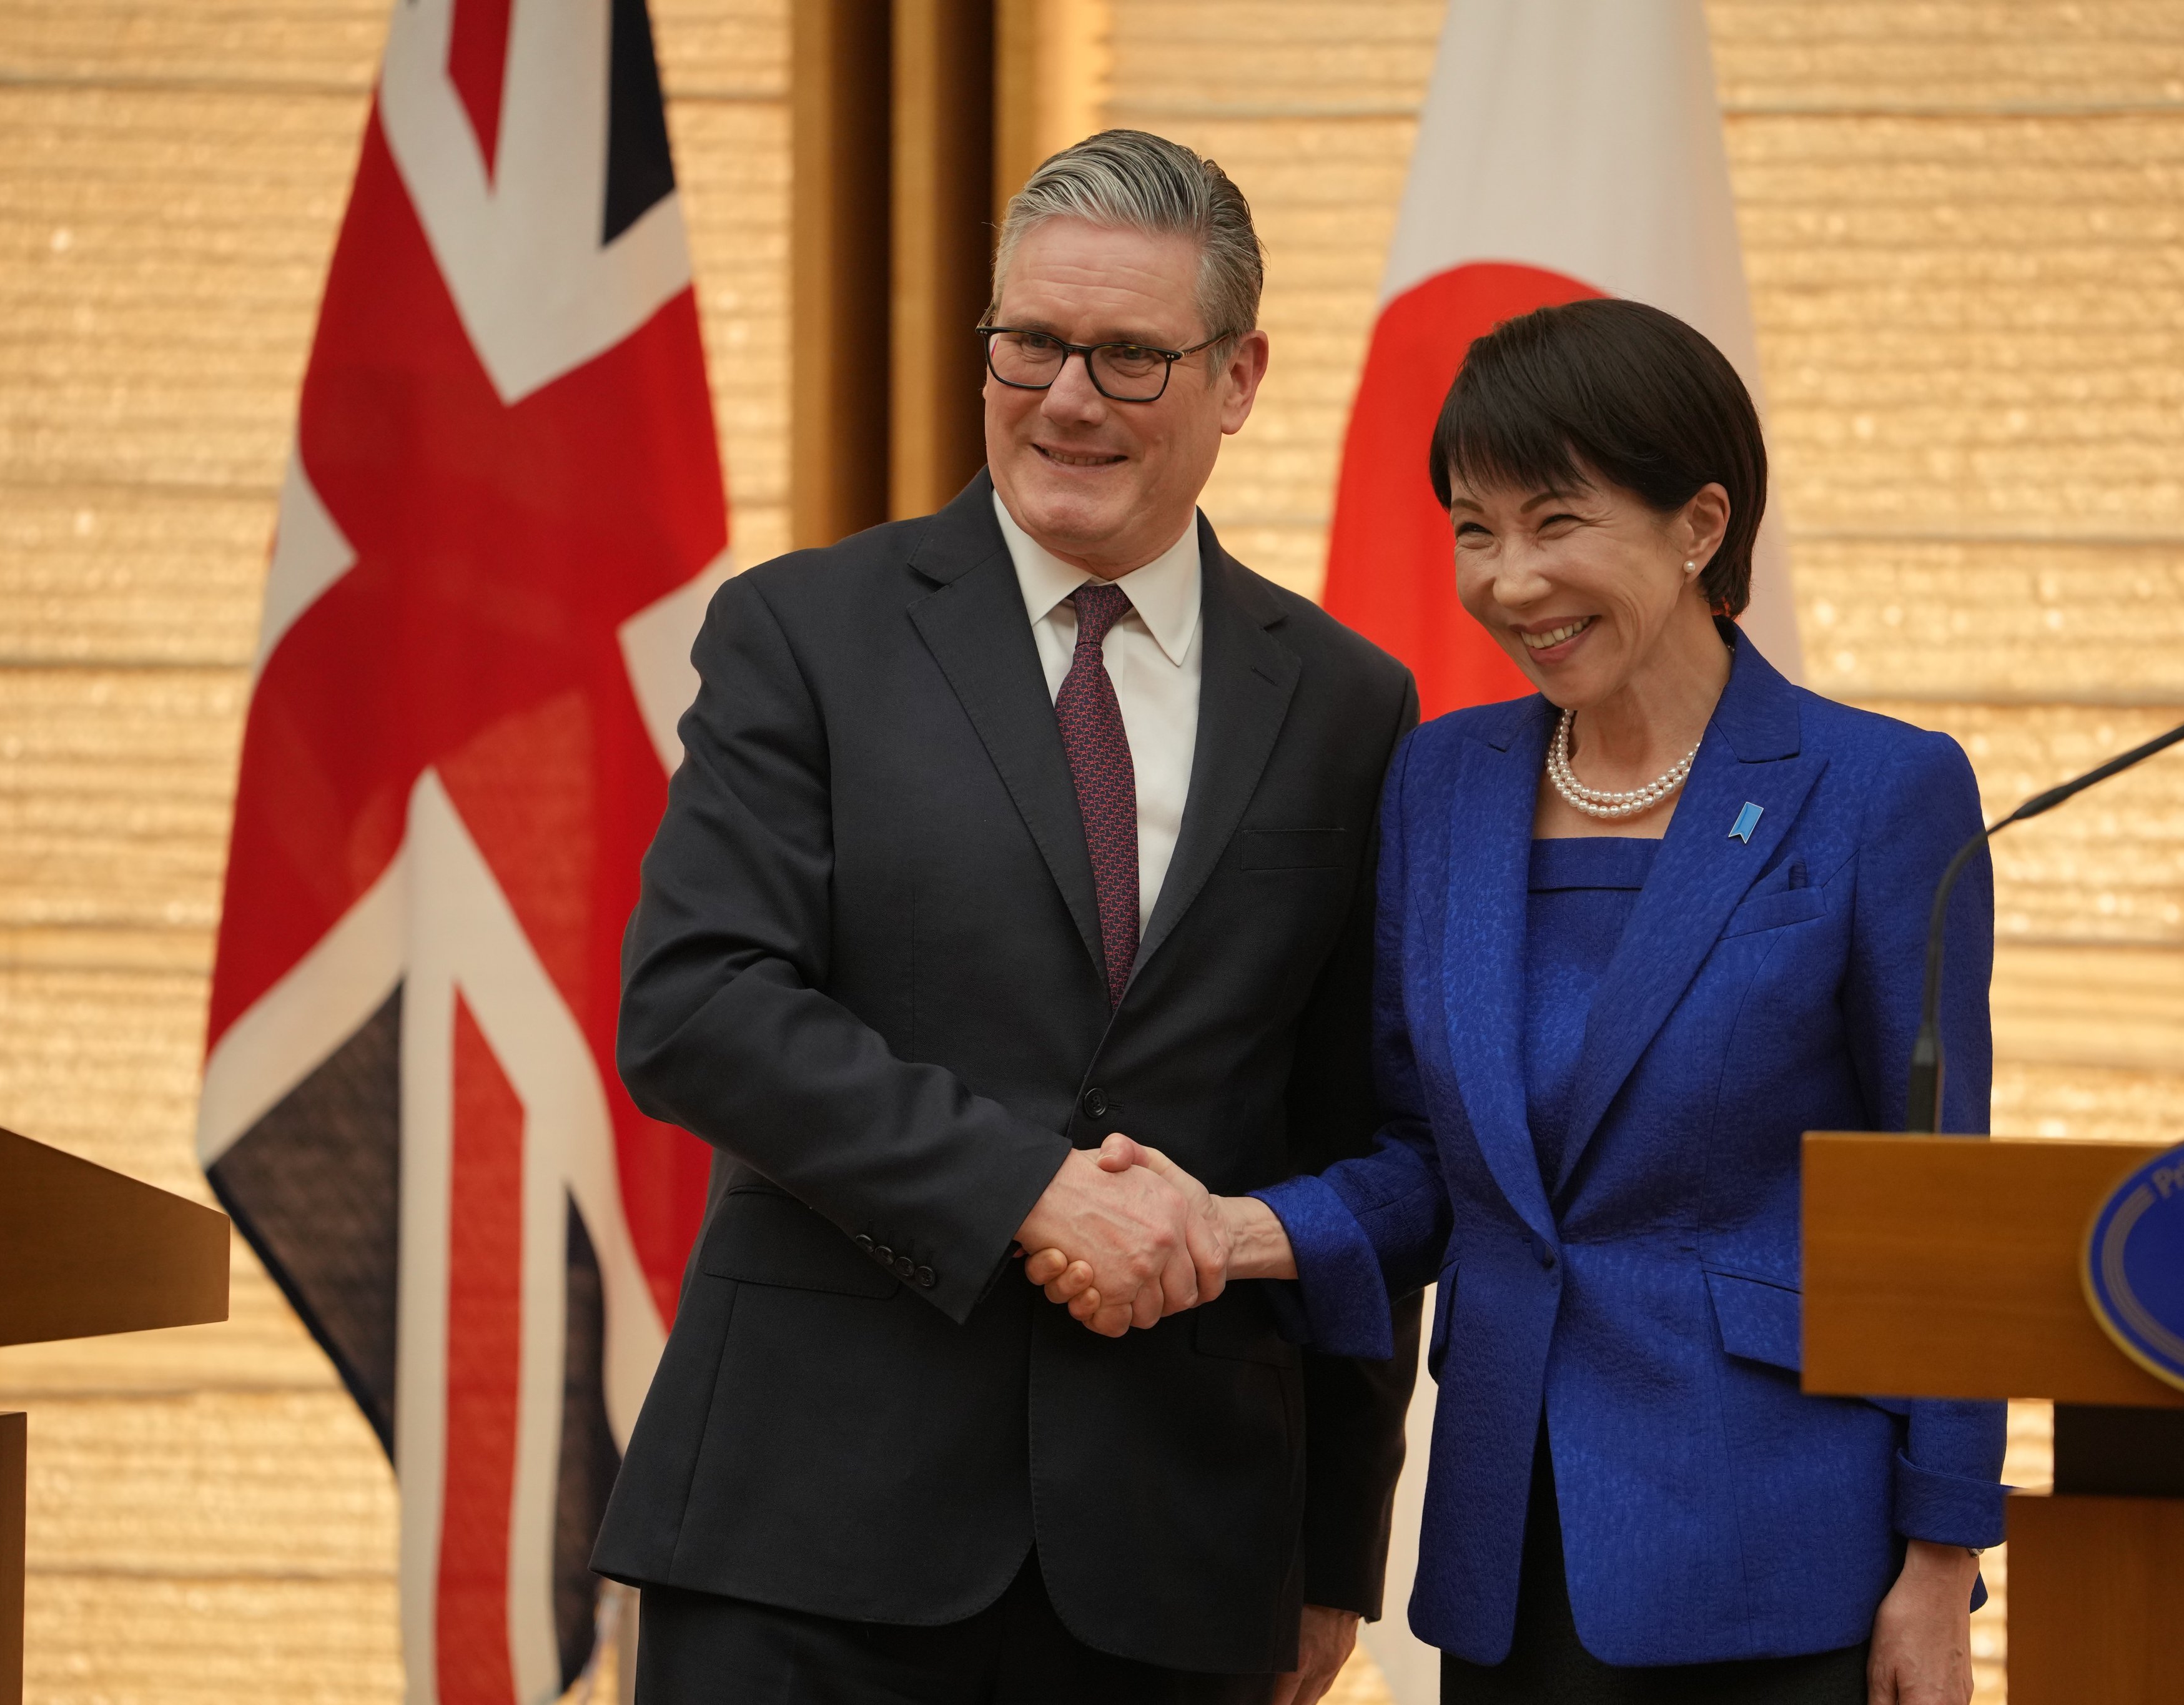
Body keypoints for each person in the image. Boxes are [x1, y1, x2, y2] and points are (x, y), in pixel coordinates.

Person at [1034, 299, 2007, 1704]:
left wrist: (1938, 1560)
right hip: (1511, 1550)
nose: (1506, 581)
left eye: (1556, 522)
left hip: (1783, 1556)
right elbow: (1426, 1166)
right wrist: (1221, 1228)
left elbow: (1938, 1209)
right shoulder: (1442, 782)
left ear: (1697, 526)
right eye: (1473, 530)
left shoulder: (1876, 792)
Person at [592, 131, 1421, 1705]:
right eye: (1028, 343)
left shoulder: (1346, 708)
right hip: (804, 1540)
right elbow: (699, 1006)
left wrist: (1329, 1554)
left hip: (1175, 1561)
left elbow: (1347, 1142)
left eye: (1127, 356)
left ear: (1238, 379)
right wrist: (1032, 1189)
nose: (1064, 399)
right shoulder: (803, 632)